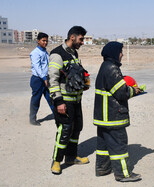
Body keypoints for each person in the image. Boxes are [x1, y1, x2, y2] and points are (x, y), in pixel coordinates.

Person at [93, 42, 142, 182]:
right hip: (113, 115)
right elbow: (121, 93)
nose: (122, 54)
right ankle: (123, 174)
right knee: (119, 144)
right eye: (120, 51)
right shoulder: (112, 68)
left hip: (103, 116)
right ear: (114, 53)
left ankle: (102, 168)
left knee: (103, 144)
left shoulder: (104, 67)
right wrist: (134, 90)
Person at [48, 26, 89, 174]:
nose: (82, 42)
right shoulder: (57, 54)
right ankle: (56, 161)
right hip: (64, 101)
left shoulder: (74, 54)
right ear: (72, 37)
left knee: (76, 129)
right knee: (65, 131)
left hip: (76, 100)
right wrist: (58, 101)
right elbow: (52, 80)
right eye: (81, 39)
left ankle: (71, 157)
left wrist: (83, 82)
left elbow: (72, 74)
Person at [29, 32, 53, 126]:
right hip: (38, 80)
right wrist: (44, 78)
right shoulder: (35, 53)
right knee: (36, 100)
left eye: (46, 40)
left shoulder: (45, 52)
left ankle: (57, 115)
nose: (45, 42)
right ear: (38, 41)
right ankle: (32, 119)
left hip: (46, 78)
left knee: (51, 97)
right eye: (43, 40)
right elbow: (37, 67)